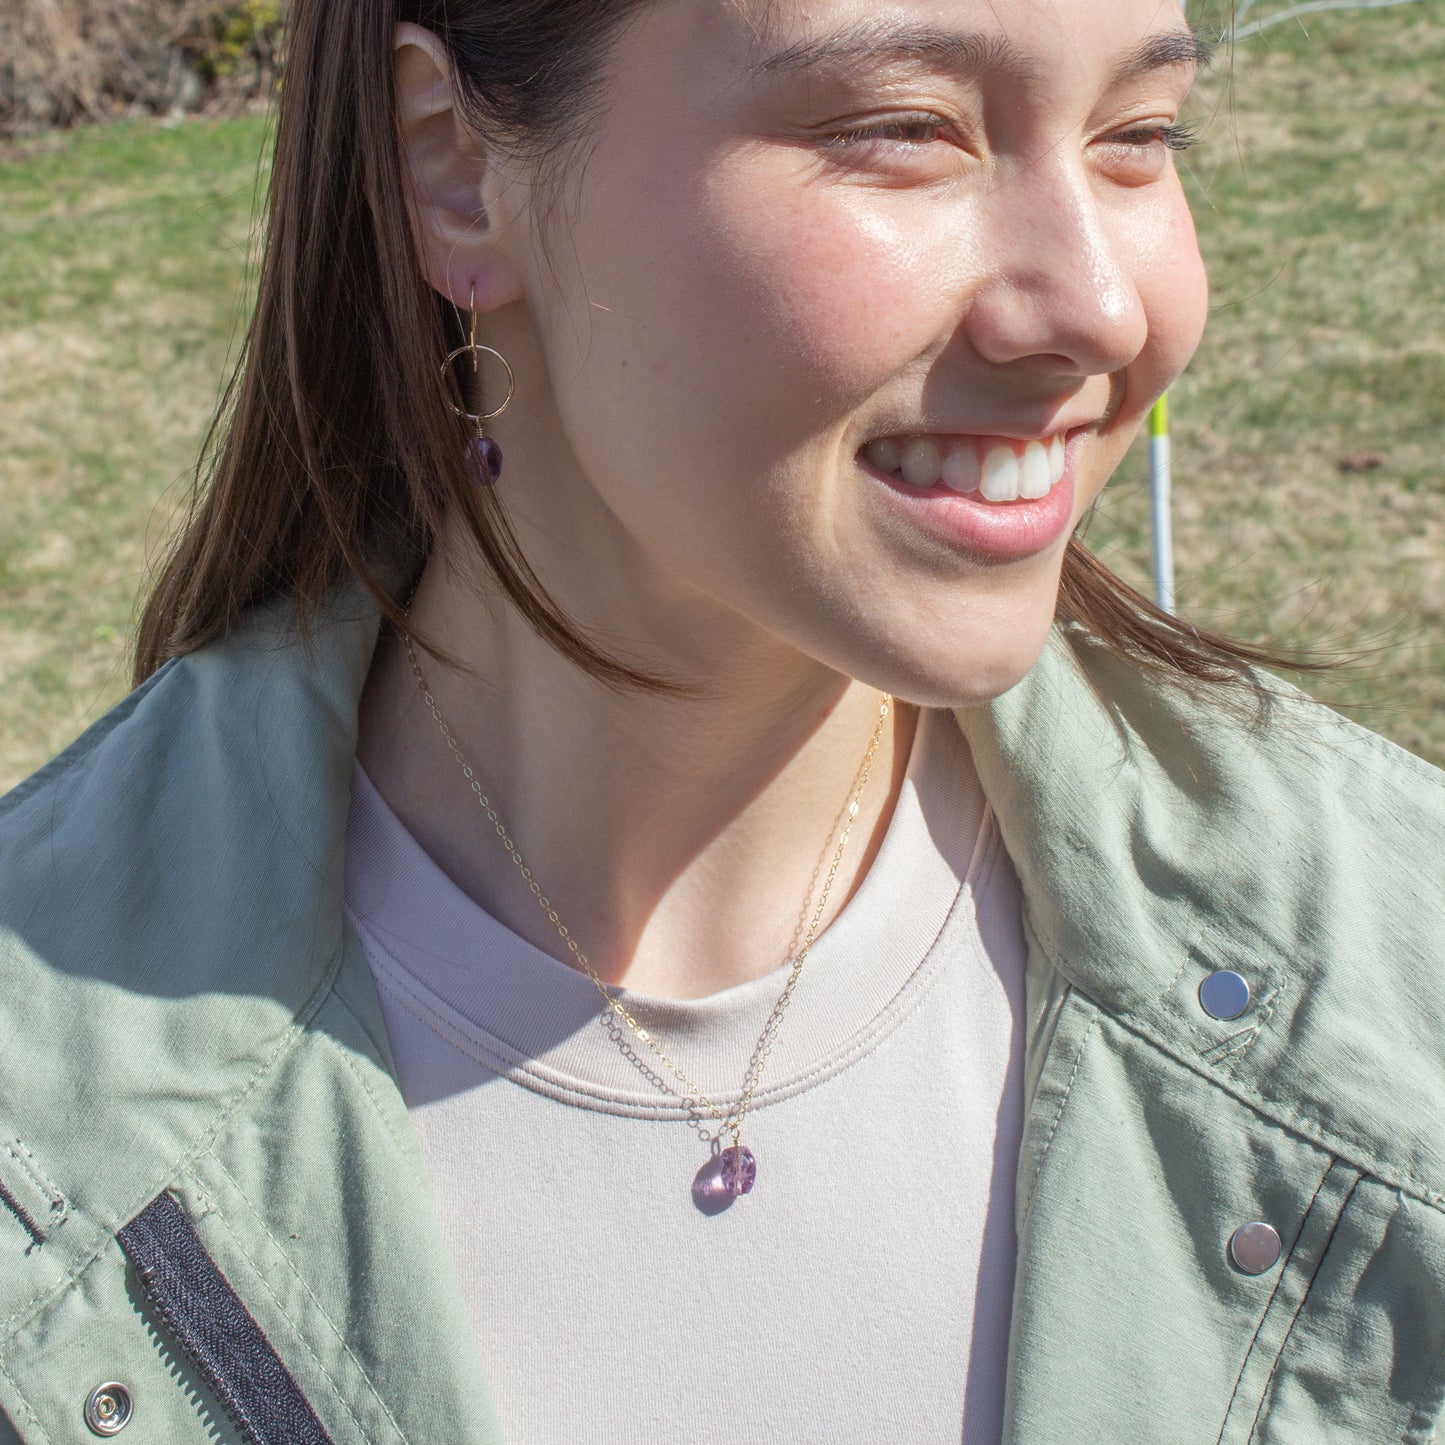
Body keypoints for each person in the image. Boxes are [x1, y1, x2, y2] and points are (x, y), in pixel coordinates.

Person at [1, 0, 1441, 1440]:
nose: (1100, 308)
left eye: (1138, 136)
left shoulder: (1395, 979)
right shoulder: (41, 1130)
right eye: (904, 132)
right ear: (449, 165)